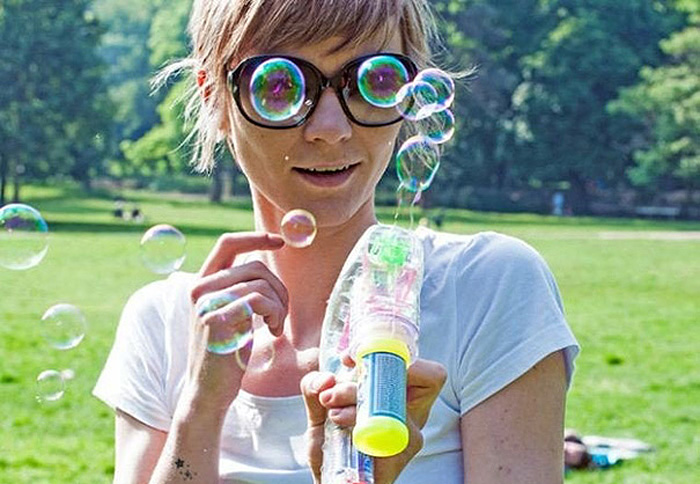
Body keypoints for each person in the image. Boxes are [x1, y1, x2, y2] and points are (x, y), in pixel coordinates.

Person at [93, 1, 580, 483]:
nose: (331, 129)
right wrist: (200, 407)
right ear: (214, 98)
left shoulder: (487, 288)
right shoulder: (163, 322)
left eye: (374, 81)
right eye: (280, 85)